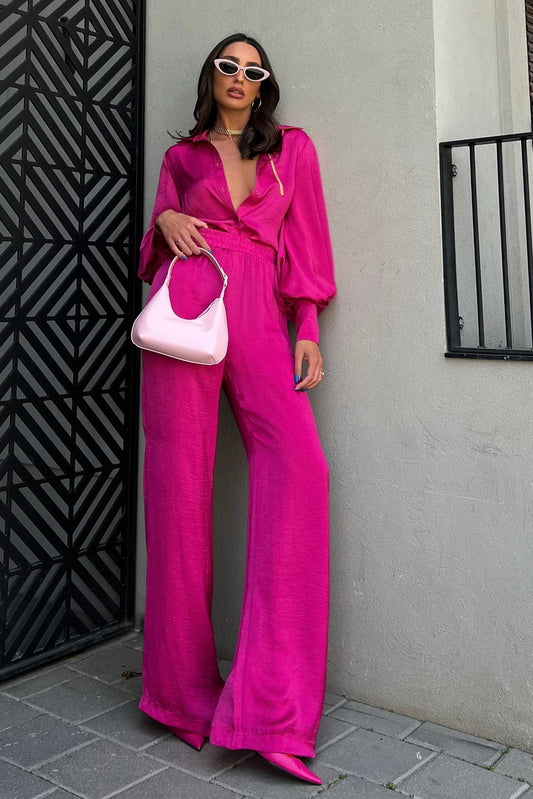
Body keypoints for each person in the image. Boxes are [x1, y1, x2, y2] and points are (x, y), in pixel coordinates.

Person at [137, 32, 336, 786]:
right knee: (178, 493)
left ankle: (273, 712)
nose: (239, 77)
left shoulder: (292, 150)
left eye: (253, 70)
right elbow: (155, 240)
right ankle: (181, 696)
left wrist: (307, 327)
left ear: (264, 85)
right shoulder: (181, 158)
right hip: (188, 303)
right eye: (228, 65)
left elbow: (305, 245)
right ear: (212, 77)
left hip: (259, 310)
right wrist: (163, 224)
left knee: (301, 470)